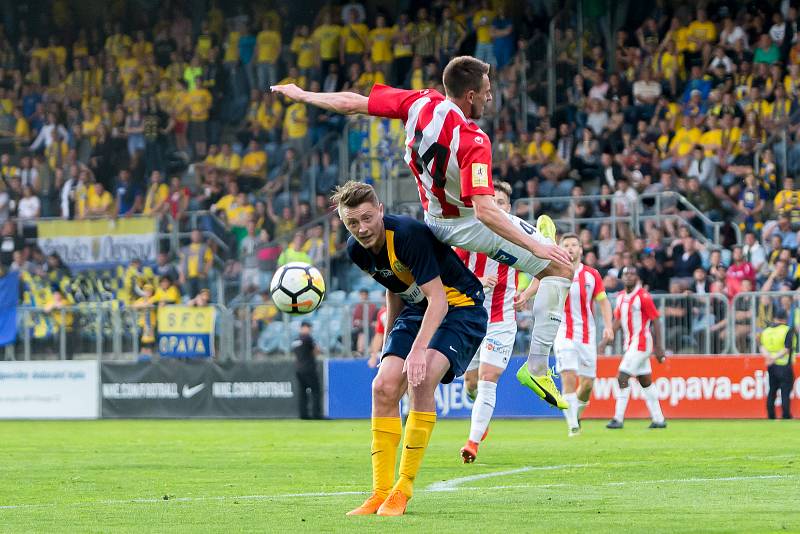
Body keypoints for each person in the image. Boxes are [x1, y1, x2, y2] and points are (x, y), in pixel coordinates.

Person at [272, 55, 573, 410]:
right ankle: (537, 367)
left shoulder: (420, 102)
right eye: (487, 92)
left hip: (433, 217)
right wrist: (535, 250)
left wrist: (304, 95)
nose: (491, 98)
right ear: (471, 96)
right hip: (465, 224)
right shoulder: (473, 139)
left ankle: (415, 361)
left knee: (426, 293)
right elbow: (486, 210)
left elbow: (354, 103)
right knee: (561, 267)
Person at [333, 181, 487, 517]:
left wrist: (416, 351)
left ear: (381, 212)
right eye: (352, 223)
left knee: (421, 378)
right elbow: (394, 287)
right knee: (383, 386)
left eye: (367, 218)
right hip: (416, 308)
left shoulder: (406, 235)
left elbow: (439, 300)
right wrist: (392, 346)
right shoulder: (356, 250)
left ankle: (403, 489)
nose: (362, 228)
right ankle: (379, 492)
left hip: (461, 306)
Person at [455, 180, 536, 463]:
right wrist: (476, 280)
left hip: (502, 320)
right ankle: (481, 414)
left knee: (489, 379)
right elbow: (449, 272)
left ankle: (472, 442)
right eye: (493, 203)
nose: (497, 208)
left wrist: (526, 293)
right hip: (471, 318)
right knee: (471, 383)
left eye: (502, 204)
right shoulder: (469, 235)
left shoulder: (519, 236)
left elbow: (544, 267)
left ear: (509, 208)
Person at [554, 233, 614, 437]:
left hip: (587, 335)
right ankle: (572, 426)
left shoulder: (592, 275)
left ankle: (575, 416)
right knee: (568, 376)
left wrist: (608, 325)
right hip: (563, 333)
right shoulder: (554, 271)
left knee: (587, 384)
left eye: (574, 245)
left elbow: (603, 301)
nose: (570, 248)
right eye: (566, 245)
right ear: (561, 248)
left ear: (581, 249)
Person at [603, 267, 667, 429]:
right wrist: (607, 339)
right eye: (625, 274)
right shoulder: (620, 297)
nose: (628, 277)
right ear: (621, 278)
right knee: (645, 381)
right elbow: (618, 320)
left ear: (637, 278)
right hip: (631, 344)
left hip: (642, 343)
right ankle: (659, 419)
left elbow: (656, 320)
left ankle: (618, 419)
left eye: (632, 274)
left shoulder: (643, 296)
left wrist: (659, 347)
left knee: (622, 376)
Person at [760, 308, 796, 420]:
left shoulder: (766, 331)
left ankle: (771, 415)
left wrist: (769, 358)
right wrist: (775, 357)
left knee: (772, 390)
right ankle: (786, 415)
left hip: (771, 366)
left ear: (775, 318)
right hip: (784, 365)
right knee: (785, 391)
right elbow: (787, 349)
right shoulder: (787, 330)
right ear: (785, 319)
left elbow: (762, 347)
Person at [292, 320, 323, 420]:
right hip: (309, 368)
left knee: (302, 393)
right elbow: (316, 351)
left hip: (299, 369)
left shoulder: (296, 340)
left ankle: (303, 415)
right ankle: (316, 414)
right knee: (315, 391)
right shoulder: (308, 338)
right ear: (305, 328)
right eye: (309, 328)